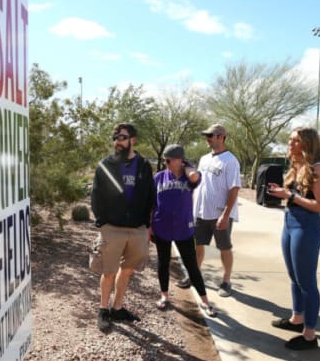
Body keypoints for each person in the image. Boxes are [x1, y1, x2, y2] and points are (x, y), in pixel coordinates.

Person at [267, 126, 320, 350]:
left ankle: (310, 335)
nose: (290, 144)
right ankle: (297, 319)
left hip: (308, 227)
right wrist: (282, 193)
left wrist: (290, 196)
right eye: (290, 140)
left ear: (307, 144)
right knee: (294, 277)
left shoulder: (318, 168)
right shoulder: (298, 166)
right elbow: (295, 197)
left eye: (295, 141)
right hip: (290, 224)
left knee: (307, 282)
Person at [90, 123, 154, 332]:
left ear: (133, 140)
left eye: (122, 137)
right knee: (108, 271)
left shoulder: (144, 165)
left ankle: (117, 308)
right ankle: (103, 309)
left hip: (137, 229)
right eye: (115, 137)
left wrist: (147, 225)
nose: (118, 141)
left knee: (127, 271)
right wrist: (103, 222)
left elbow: (150, 197)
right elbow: (96, 196)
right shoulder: (105, 165)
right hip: (113, 229)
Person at [150, 144, 217, 317]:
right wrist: (149, 226)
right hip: (161, 227)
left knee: (192, 266)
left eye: (168, 159)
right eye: (164, 159)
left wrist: (187, 167)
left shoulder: (190, 178)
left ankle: (205, 301)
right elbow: (151, 204)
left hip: (183, 229)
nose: (165, 162)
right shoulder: (159, 177)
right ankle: (164, 296)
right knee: (163, 263)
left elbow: (195, 178)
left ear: (180, 160)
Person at [183, 124, 241, 297]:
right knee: (198, 246)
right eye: (206, 135)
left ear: (221, 136)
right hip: (201, 212)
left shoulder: (231, 161)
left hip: (220, 214)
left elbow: (234, 189)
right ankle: (194, 275)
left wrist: (225, 214)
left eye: (210, 135)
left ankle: (226, 281)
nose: (207, 138)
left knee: (224, 247)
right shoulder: (204, 159)